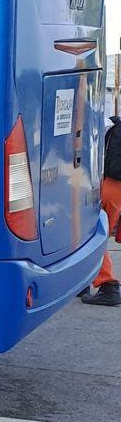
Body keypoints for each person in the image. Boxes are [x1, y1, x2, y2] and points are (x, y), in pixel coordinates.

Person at [82, 114, 121, 306]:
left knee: (93, 234)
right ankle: (83, 281)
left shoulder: (110, 126)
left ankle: (108, 285)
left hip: (112, 185)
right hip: (115, 186)